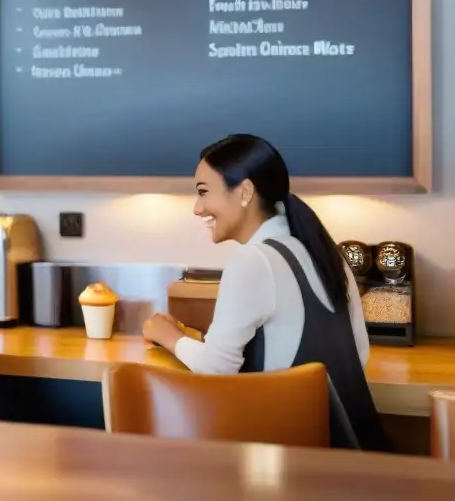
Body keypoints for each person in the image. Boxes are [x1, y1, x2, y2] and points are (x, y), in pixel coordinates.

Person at [142, 134, 389, 451]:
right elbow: (360, 356)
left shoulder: (254, 260)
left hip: (289, 462)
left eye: (204, 192)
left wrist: (167, 336)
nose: (197, 208)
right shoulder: (327, 253)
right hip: (350, 453)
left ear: (244, 192)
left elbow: (217, 368)